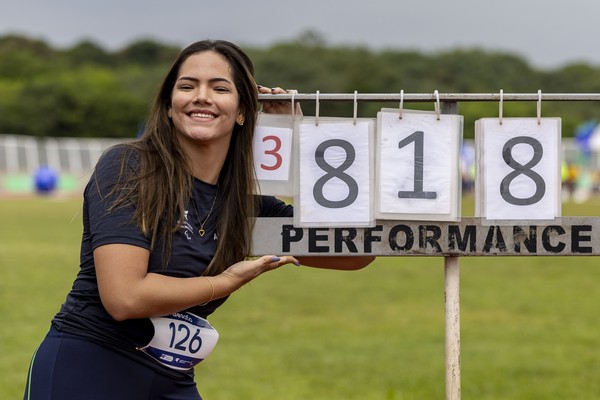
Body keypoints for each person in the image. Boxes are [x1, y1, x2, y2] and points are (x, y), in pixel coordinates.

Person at [23, 39, 374, 400]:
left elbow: (356, 251)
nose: (202, 97)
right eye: (188, 86)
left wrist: (302, 143)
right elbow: (125, 297)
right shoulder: (130, 166)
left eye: (220, 88)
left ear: (242, 110)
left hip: (172, 377)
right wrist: (223, 283)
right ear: (169, 105)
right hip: (89, 366)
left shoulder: (245, 206)